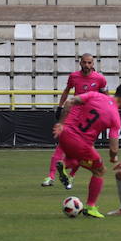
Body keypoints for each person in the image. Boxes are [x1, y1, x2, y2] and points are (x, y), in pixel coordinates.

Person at [53, 83, 121, 218]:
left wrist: (61, 123)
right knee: (100, 170)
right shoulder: (115, 116)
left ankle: (65, 164)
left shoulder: (96, 95)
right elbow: (114, 147)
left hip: (66, 135)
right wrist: (113, 157)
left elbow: (69, 102)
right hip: (81, 143)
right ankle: (90, 207)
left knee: (78, 160)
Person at [42, 53, 108, 189]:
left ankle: (70, 176)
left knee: (83, 148)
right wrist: (60, 107)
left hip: (89, 116)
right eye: (84, 62)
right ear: (80, 63)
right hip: (74, 113)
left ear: (93, 63)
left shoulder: (100, 79)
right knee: (62, 143)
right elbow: (66, 91)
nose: (87, 65)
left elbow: (106, 97)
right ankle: (51, 176)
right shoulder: (74, 76)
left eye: (89, 63)